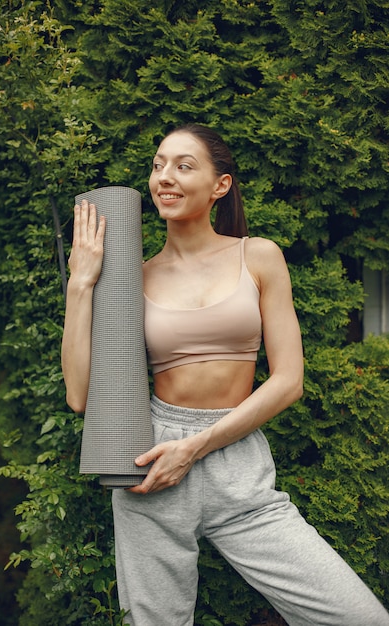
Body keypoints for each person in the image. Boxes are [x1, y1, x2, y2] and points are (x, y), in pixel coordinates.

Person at [62, 124, 389, 626]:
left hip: (236, 463)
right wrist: (82, 283)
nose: (164, 178)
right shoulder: (135, 278)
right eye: (158, 165)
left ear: (221, 185)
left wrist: (195, 447)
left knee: (357, 617)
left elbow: (289, 381)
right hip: (152, 462)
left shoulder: (258, 256)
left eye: (183, 166)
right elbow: (81, 396)